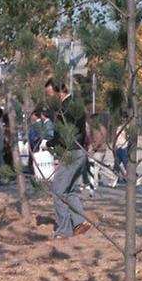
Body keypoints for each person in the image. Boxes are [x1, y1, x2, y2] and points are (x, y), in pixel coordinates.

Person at [44, 78, 91, 238]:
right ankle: (79, 222)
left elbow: (63, 134)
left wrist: (49, 143)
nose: (49, 99)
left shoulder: (66, 108)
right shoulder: (75, 105)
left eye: (50, 94)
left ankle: (64, 230)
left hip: (70, 152)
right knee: (70, 190)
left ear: (59, 92)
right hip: (80, 151)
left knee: (58, 191)